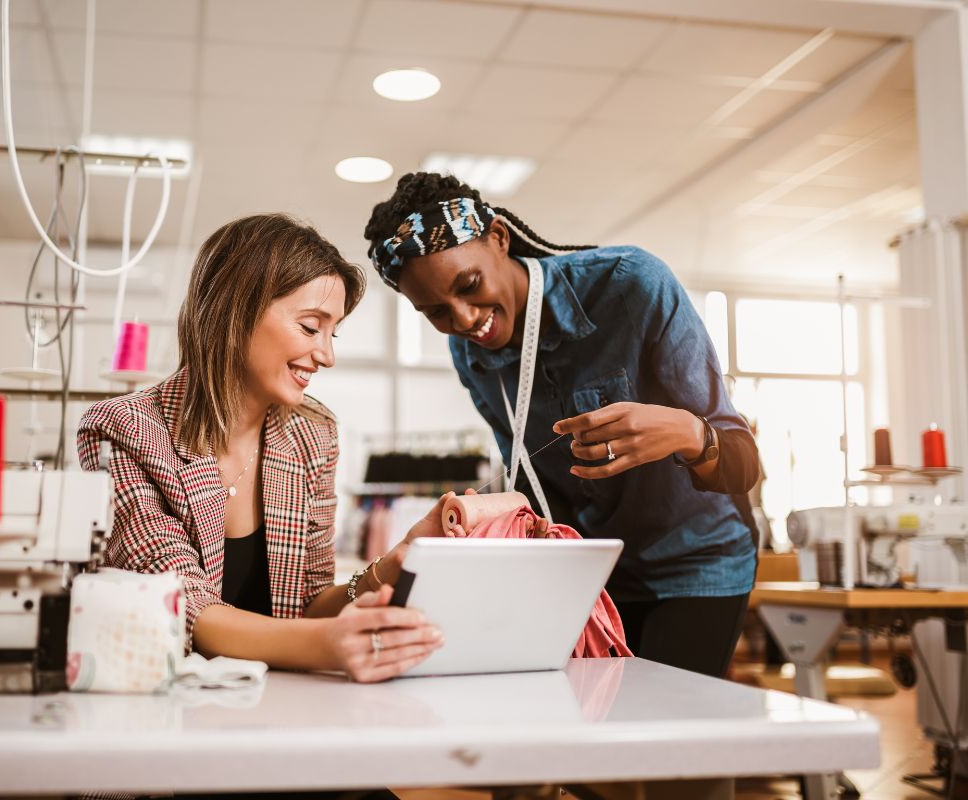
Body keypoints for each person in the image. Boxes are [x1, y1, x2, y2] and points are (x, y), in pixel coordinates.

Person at [362, 173, 761, 678]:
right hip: (589, 577)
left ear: (499, 238)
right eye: (436, 312)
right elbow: (531, 480)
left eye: (469, 286)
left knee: (659, 736)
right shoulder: (470, 353)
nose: (463, 320)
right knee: (585, 732)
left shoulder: (631, 285)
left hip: (694, 565)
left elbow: (742, 464)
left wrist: (686, 432)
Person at [77, 214, 446, 687]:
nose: (327, 355)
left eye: (333, 334)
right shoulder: (124, 430)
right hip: (164, 703)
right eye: (312, 327)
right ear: (238, 309)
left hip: (280, 703)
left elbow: (309, 603)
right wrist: (328, 645)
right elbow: (181, 606)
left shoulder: (313, 434)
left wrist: (390, 564)